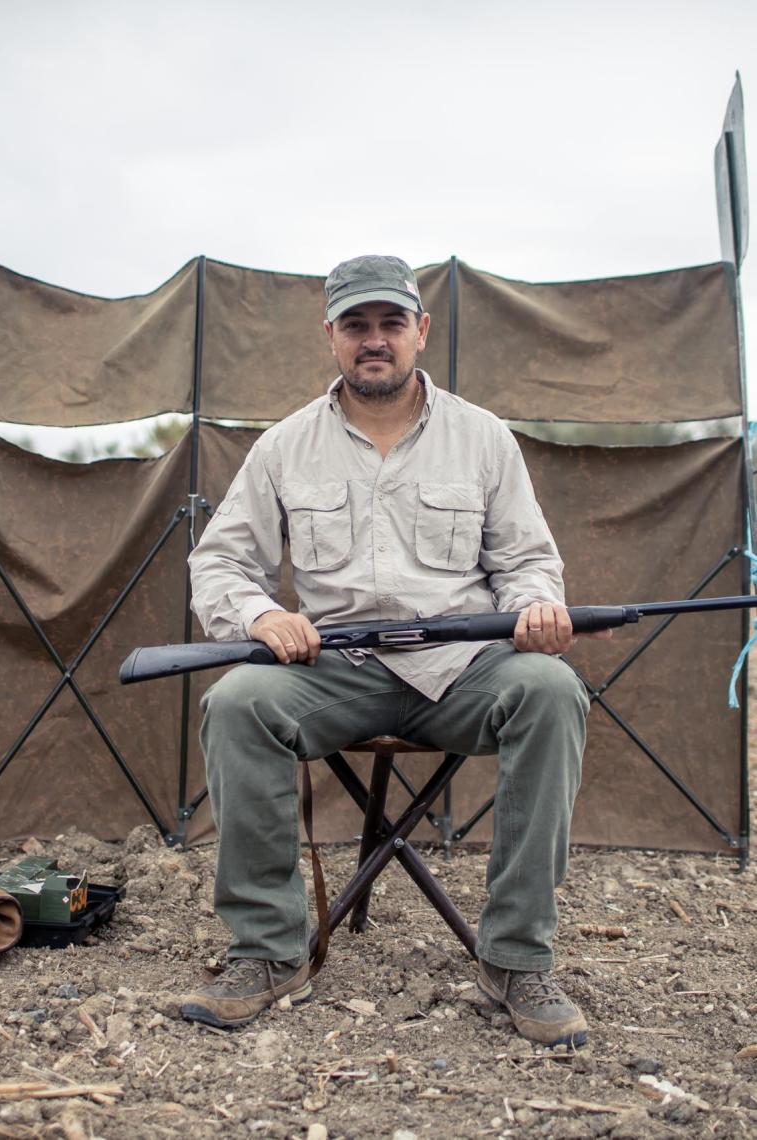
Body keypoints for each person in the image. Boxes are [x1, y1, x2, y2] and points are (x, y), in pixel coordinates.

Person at [182, 254, 605, 1047]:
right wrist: (260, 615)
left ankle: (515, 958)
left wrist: (535, 609)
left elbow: (524, 560)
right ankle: (266, 953)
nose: (372, 341)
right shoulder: (282, 446)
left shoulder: (482, 437)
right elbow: (220, 562)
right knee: (237, 703)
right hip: (332, 673)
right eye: (355, 326)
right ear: (331, 338)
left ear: (420, 331)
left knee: (549, 690)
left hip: (463, 669)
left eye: (388, 324)